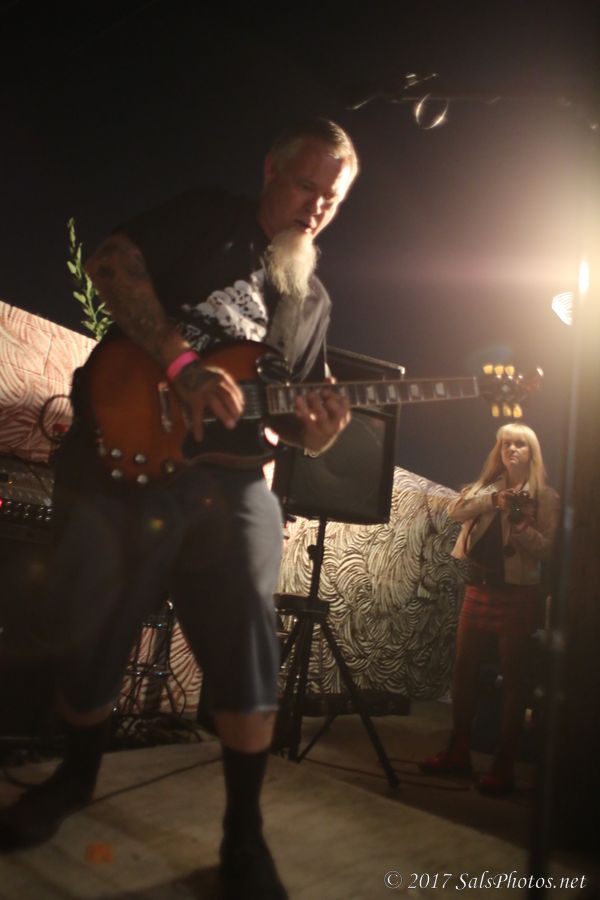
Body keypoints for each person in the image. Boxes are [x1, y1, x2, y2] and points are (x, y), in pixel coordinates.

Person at [0, 118, 357, 898]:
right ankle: (75, 778)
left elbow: (293, 416)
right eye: (307, 185)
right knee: (88, 627)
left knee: (249, 645)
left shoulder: (313, 301)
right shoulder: (208, 219)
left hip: (231, 484)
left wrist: (322, 432)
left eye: (331, 198)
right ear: (270, 170)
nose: (316, 206)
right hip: (126, 457)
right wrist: (181, 363)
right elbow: (111, 263)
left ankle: (243, 834)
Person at [420, 423, 560, 795]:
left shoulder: (546, 498)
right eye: (505, 443)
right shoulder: (486, 488)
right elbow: (456, 511)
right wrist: (495, 501)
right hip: (479, 587)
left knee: (513, 678)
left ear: (532, 452)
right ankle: (458, 751)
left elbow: (548, 551)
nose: (511, 449)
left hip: (518, 593)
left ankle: (504, 765)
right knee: (463, 670)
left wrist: (521, 525)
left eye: (520, 444)